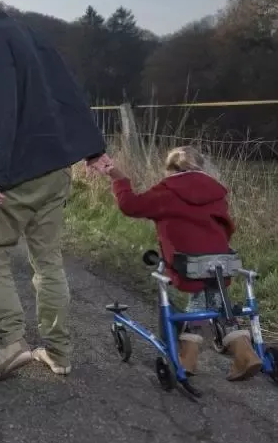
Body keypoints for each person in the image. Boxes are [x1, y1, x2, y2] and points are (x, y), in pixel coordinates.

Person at [0, 0, 108, 382]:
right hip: (54, 170)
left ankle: (12, 344)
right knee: (48, 263)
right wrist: (92, 146)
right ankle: (60, 353)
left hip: (14, 176)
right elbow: (68, 91)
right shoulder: (30, 35)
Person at [98, 148, 263, 381]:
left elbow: (131, 206)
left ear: (169, 169)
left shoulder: (167, 191)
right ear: (201, 167)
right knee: (217, 301)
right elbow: (226, 224)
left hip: (188, 261)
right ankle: (244, 352)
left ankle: (188, 358)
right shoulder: (215, 191)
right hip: (222, 259)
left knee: (198, 301)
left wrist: (119, 178)